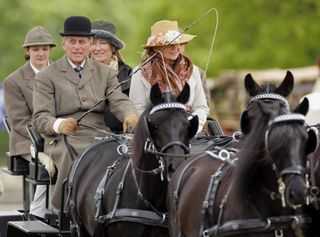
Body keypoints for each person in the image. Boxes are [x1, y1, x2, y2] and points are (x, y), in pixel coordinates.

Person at [32, 16, 138, 210]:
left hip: (99, 134)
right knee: (74, 157)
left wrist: (129, 116)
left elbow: (119, 100)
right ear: (64, 44)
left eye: (82, 42)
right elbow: (40, 118)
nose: (77, 47)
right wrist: (59, 124)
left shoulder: (104, 73)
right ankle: (67, 210)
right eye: (72, 41)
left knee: (124, 155)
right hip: (63, 138)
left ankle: (114, 207)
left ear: (89, 44)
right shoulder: (47, 76)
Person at [4, 26, 56, 219]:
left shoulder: (63, 72)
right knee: (50, 165)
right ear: (27, 51)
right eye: (35, 49)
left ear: (51, 49)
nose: (40, 53)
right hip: (30, 141)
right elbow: (20, 122)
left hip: (62, 135)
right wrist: (54, 131)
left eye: (44, 48)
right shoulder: (14, 81)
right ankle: (38, 214)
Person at [129, 20, 209, 132]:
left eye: (178, 43)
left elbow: (201, 107)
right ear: (156, 47)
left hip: (188, 130)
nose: (175, 48)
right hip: (156, 133)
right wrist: (160, 129)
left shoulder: (192, 70)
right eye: (170, 44)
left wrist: (189, 126)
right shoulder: (139, 72)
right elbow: (138, 108)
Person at [90, 20, 132, 133]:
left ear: (113, 47)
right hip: (88, 134)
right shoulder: (79, 72)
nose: (97, 48)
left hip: (120, 135)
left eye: (103, 43)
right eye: (93, 43)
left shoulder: (128, 75)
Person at [178, 43, 211, 107]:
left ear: (184, 46)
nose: (176, 48)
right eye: (170, 45)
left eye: (180, 44)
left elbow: (205, 103)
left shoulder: (198, 72)